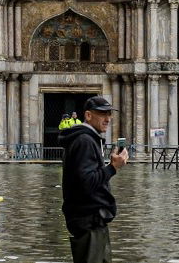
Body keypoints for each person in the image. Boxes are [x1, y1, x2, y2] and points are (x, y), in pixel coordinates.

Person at [59, 96, 128, 263]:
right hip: (89, 220)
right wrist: (113, 167)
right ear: (88, 115)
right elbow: (87, 182)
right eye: (102, 114)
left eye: (109, 114)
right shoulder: (85, 141)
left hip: (92, 221)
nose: (108, 118)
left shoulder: (88, 139)